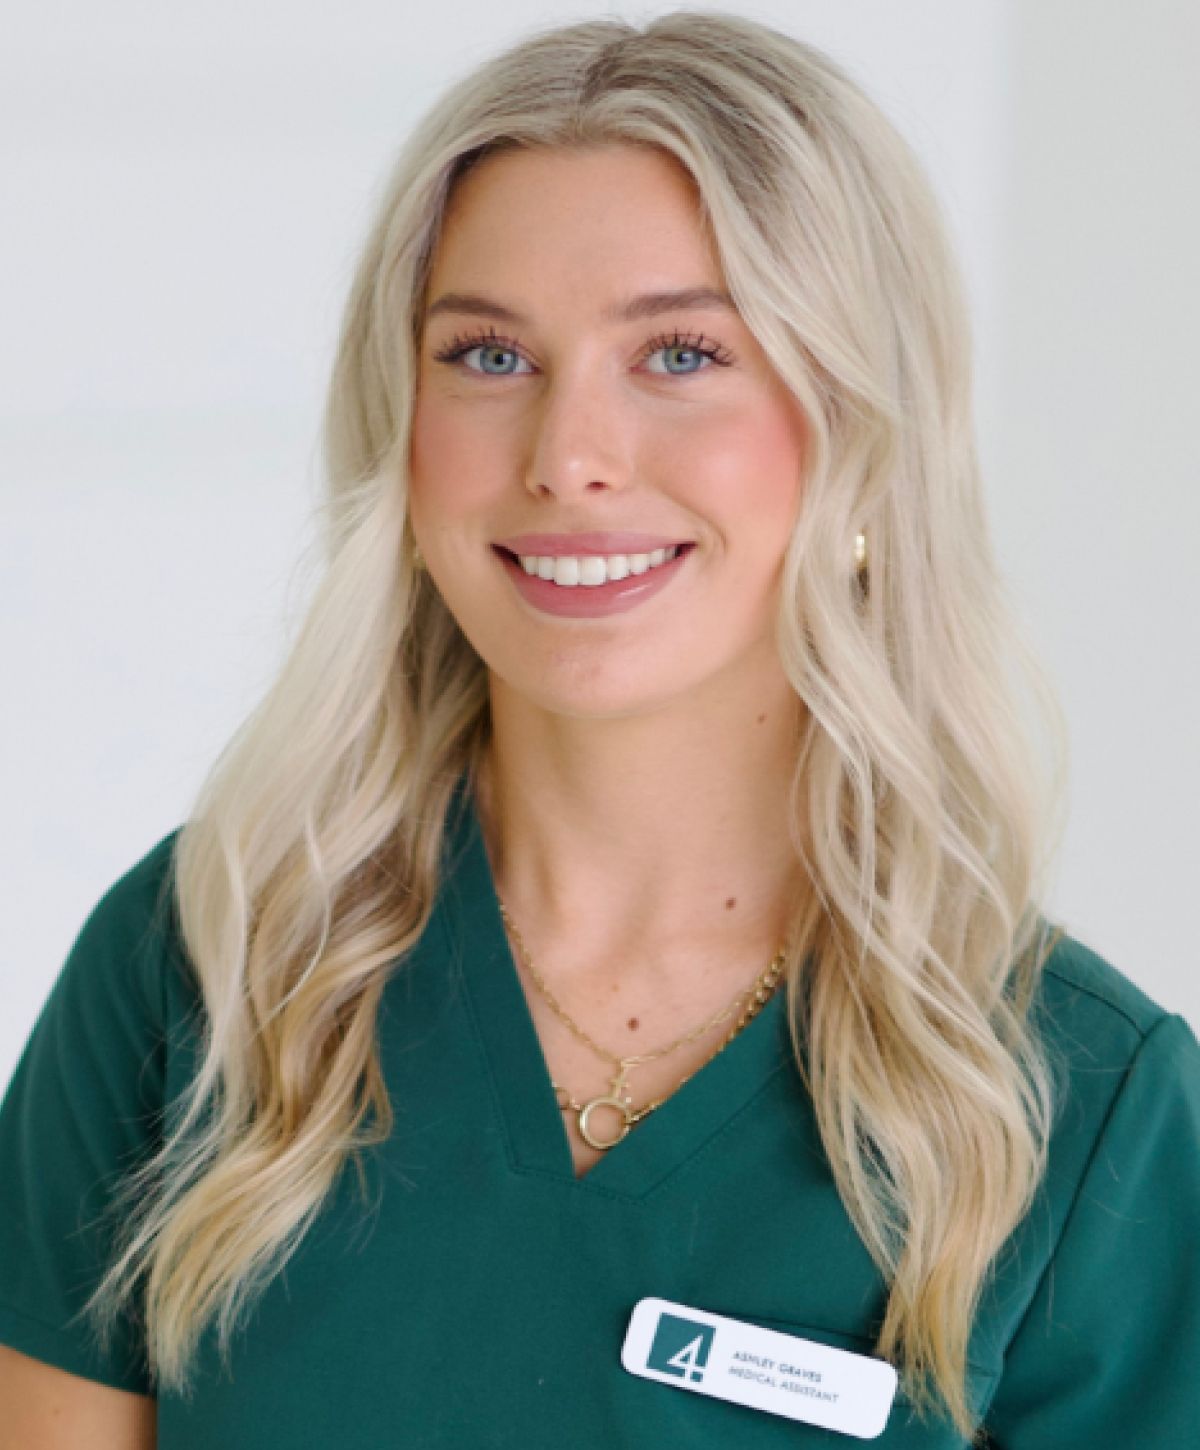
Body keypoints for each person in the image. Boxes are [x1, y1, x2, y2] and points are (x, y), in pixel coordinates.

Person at [2, 10, 1198, 1448]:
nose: (568, 455)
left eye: (681, 353)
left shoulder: (1081, 1112)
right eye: (490, 356)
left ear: (865, 429)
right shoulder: (201, 968)